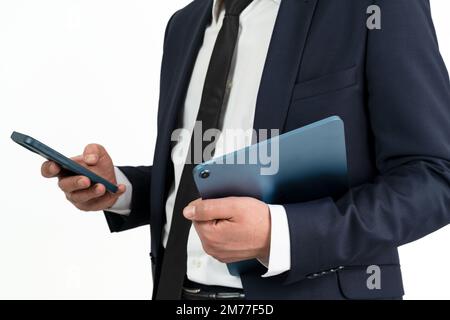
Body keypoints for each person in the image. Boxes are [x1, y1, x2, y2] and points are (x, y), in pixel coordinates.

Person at [41, 0, 450, 300]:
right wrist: (123, 188)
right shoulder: (184, 25)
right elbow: (203, 170)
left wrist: (283, 234)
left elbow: (435, 175)